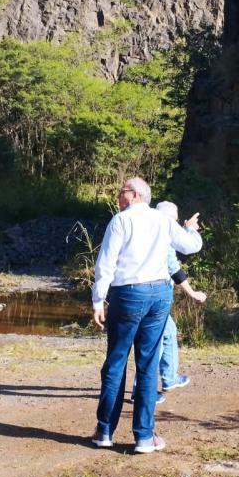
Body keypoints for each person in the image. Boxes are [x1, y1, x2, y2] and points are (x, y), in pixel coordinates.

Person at [91, 177, 202, 454]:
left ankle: (104, 431)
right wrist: (191, 230)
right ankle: (143, 436)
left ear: (136, 195)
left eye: (122, 191)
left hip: (128, 294)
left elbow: (106, 264)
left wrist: (97, 301)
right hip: (159, 294)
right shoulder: (162, 220)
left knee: (116, 362)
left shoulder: (121, 221)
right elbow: (190, 246)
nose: (118, 195)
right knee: (148, 364)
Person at [154, 201, 207, 395]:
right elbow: (175, 264)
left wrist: (185, 229)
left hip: (144, 293)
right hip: (155, 294)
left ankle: (169, 378)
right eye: (175, 221)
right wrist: (191, 230)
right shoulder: (162, 230)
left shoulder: (149, 227)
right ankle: (142, 391)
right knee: (154, 342)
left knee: (168, 331)